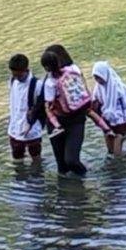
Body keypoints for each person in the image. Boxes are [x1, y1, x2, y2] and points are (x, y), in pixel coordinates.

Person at [40, 48, 88, 177]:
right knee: (65, 163)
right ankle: (74, 190)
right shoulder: (74, 70)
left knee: (68, 162)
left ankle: (84, 181)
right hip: (75, 118)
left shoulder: (50, 82)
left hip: (68, 122)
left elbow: (47, 105)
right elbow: (84, 93)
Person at [91, 61, 126, 156]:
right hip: (106, 120)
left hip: (120, 121)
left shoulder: (118, 87)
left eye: (98, 77)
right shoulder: (98, 88)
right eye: (95, 77)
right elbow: (95, 101)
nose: (97, 80)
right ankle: (114, 163)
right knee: (110, 149)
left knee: (117, 149)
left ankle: (119, 164)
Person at [7, 53, 43, 161]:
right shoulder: (12, 81)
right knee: (17, 157)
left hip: (32, 130)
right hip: (14, 128)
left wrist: (31, 123)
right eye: (14, 75)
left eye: (19, 75)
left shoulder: (37, 84)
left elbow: (41, 107)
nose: (17, 77)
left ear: (26, 70)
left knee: (36, 157)